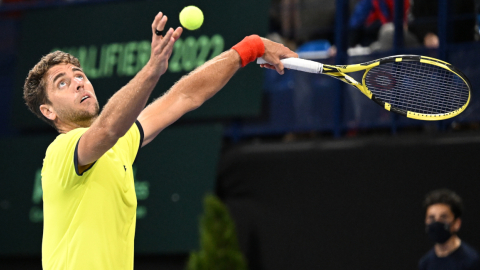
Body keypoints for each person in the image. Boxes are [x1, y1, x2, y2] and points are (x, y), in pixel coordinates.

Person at [23, 12, 297, 270]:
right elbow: (107, 128)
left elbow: (184, 96)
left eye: (79, 75)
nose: (78, 83)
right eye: (62, 83)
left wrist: (249, 48)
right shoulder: (61, 151)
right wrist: (152, 69)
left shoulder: (120, 144)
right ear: (49, 111)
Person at [419, 189, 480, 270]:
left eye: (443, 217)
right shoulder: (425, 263)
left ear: (457, 223)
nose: (437, 223)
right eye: (431, 218)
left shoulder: (471, 261)